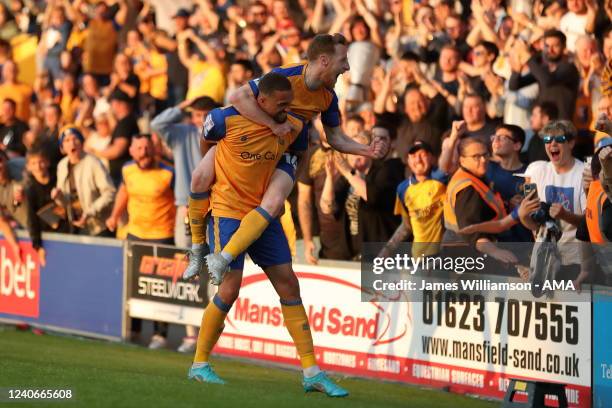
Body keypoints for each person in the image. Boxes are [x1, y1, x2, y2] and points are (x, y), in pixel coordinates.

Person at [188, 72, 348, 397]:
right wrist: (216, 161)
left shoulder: (294, 127)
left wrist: (282, 185)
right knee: (230, 289)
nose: (287, 109)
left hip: (264, 213)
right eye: (281, 103)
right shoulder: (225, 120)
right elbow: (207, 138)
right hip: (229, 211)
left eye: (290, 103)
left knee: (289, 282)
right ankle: (199, 364)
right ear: (261, 101)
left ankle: (311, 371)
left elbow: (296, 159)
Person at [183, 33, 387, 281]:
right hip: (250, 140)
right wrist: (272, 124)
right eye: (343, 60)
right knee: (199, 178)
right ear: (323, 60)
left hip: (288, 149)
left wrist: (366, 150)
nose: (347, 68)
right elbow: (237, 97)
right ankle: (197, 249)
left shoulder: (329, 98)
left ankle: (222, 259)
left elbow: (335, 138)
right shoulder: (286, 75)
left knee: (273, 202)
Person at [105, 133, 176, 349]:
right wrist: (114, 216)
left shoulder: (169, 173)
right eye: (138, 148)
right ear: (131, 151)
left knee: (160, 287)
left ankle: (160, 335)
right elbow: (123, 193)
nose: (143, 152)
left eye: (146, 148)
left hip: (162, 236)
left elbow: (182, 201)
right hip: (134, 234)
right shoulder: (127, 169)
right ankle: (134, 330)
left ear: (154, 150)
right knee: (133, 284)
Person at [518, 120, 586, 278]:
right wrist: (523, 215)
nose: (552, 144)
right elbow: (535, 225)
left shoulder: (584, 174)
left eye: (559, 139)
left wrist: (565, 215)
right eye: (548, 140)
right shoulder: (537, 170)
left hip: (575, 262)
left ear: (571, 143)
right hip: (544, 260)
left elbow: (589, 225)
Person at [443, 136, 518, 264]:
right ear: (462, 160)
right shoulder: (466, 188)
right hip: (465, 257)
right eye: (476, 157)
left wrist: (508, 205)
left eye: (485, 154)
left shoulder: (473, 176)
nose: (483, 160)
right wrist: (495, 252)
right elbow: (471, 231)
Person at [383, 140, 448, 258]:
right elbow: (407, 226)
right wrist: (386, 252)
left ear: (432, 158)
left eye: (422, 155)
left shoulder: (442, 179)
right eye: (413, 156)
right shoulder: (402, 189)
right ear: (408, 161)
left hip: (443, 256)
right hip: (418, 257)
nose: (418, 160)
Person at [52, 126, 116, 237]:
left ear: (81, 142)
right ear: (62, 147)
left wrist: (90, 211)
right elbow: (64, 202)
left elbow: (110, 193)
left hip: (98, 226)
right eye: (67, 140)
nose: (72, 143)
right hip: (76, 225)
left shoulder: (93, 163)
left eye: (75, 139)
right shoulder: (62, 165)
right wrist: (58, 196)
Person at [509, 30, 579, 120]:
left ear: (564, 47)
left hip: (561, 127)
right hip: (544, 126)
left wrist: (527, 58)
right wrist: (516, 71)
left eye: (555, 46)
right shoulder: (544, 69)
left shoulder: (569, 68)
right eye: (547, 46)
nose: (550, 50)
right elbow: (514, 86)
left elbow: (547, 81)